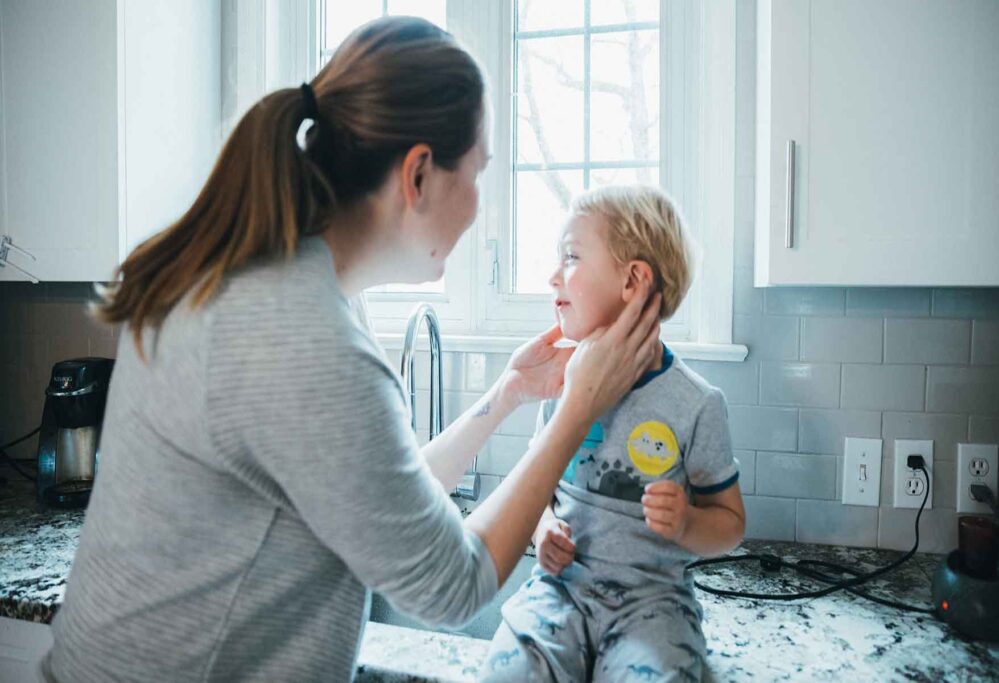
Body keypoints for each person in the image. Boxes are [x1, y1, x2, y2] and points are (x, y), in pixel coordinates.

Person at [41, 18, 662, 683]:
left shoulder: (255, 280)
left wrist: (505, 396)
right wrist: (576, 412)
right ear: (418, 173)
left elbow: (374, 499)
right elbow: (449, 584)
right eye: (477, 172)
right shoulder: (307, 339)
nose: (481, 205)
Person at [482, 185, 746, 682]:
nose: (552, 275)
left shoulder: (696, 403)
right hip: (557, 592)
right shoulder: (564, 383)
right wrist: (542, 531)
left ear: (634, 280)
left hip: (653, 607)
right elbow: (540, 493)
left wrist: (688, 521)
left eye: (572, 256)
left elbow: (731, 523)